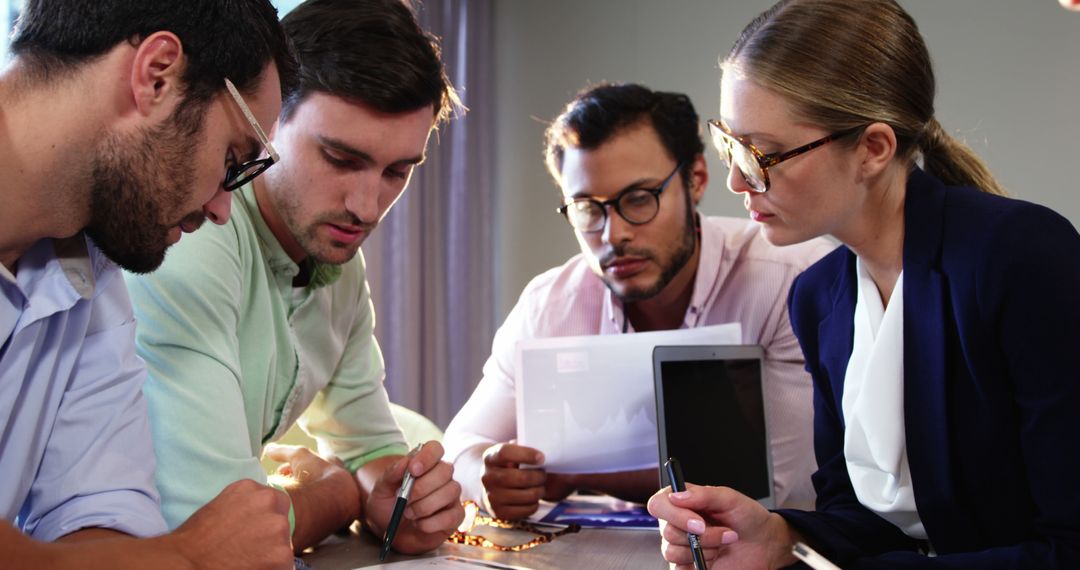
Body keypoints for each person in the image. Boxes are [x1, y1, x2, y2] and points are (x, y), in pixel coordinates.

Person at [647, 0, 1080, 568]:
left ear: (874, 149)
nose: (735, 180)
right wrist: (778, 538)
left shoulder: (1018, 254)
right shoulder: (819, 297)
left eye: (762, 154)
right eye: (731, 144)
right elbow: (865, 520)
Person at [125, 0, 466, 555]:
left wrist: (401, 498)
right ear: (267, 117)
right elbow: (217, 527)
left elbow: (370, 450)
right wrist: (336, 494)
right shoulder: (193, 235)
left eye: (397, 171)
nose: (367, 207)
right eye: (340, 158)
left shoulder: (342, 269)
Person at [442, 83, 832, 520]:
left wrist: (574, 476)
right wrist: (488, 474)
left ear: (696, 179)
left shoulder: (791, 280)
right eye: (588, 208)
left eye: (639, 199)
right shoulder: (550, 303)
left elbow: (780, 483)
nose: (614, 235)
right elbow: (459, 448)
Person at [0, 0, 297, 568]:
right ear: (157, 74)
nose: (220, 209)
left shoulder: (92, 276)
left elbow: (97, 520)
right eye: (233, 159)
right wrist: (187, 557)